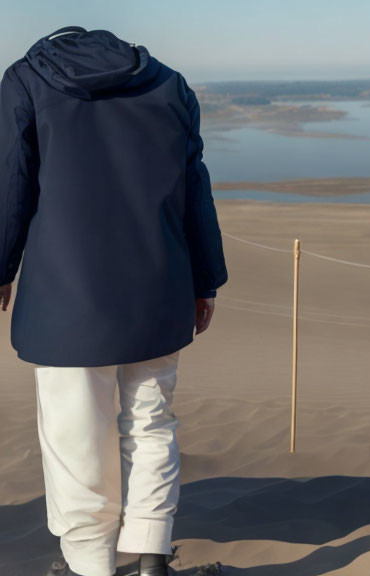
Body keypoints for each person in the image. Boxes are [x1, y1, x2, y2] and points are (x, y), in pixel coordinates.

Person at [0, 27, 228, 576]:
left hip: (65, 298)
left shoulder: (26, 81)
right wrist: (206, 280)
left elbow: (10, 182)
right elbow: (194, 184)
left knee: (75, 437)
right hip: (158, 287)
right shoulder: (170, 85)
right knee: (152, 425)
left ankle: (91, 567)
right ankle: (151, 557)